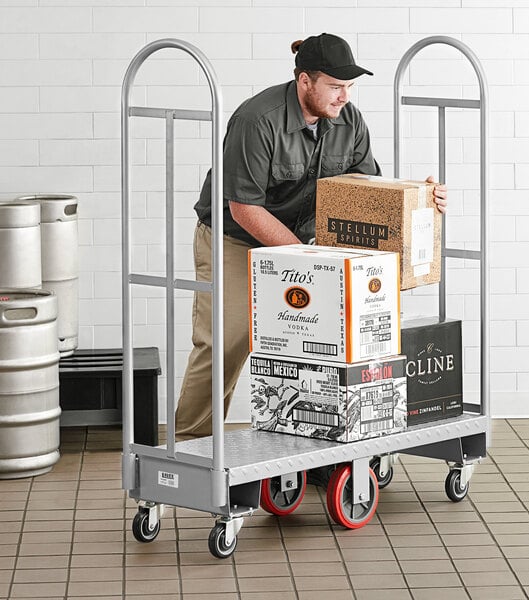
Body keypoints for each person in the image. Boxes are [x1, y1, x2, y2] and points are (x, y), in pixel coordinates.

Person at [175, 33, 448, 440]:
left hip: (304, 245)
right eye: (336, 86)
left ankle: (317, 441)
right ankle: (190, 443)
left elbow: (364, 191)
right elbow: (244, 208)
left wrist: (422, 197)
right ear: (305, 82)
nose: (344, 96)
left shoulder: (349, 121)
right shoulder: (258, 120)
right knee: (227, 341)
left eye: (350, 87)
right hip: (234, 239)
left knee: (320, 341)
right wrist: (307, 259)